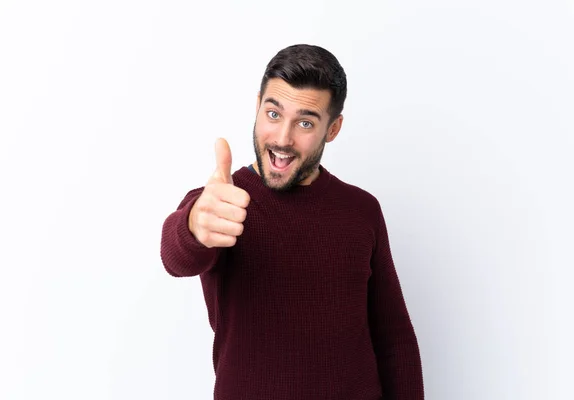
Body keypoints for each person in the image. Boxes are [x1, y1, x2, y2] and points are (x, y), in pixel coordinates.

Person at [160, 44, 424, 400]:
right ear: (257, 108)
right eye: (273, 114)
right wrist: (192, 226)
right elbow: (178, 257)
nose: (282, 138)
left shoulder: (362, 210)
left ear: (333, 129)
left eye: (304, 122)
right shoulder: (222, 203)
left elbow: (393, 336)